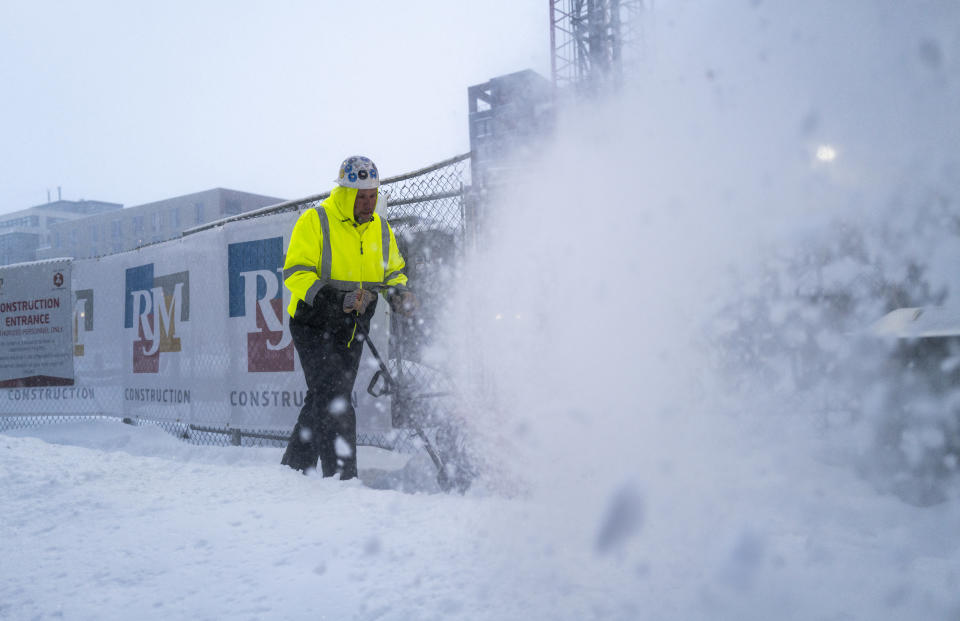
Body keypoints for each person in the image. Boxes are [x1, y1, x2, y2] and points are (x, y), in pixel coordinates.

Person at [280, 155, 415, 478]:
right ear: (345, 193)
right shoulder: (316, 221)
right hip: (313, 324)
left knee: (323, 396)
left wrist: (399, 294)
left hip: (352, 328)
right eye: (361, 196)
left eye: (372, 195)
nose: (368, 203)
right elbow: (295, 273)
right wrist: (336, 300)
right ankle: (342, 478)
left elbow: (393, 270)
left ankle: (295, 466)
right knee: (335, 397)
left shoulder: (381, 229)